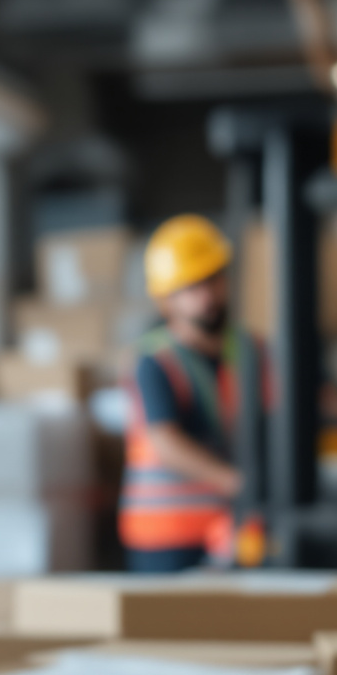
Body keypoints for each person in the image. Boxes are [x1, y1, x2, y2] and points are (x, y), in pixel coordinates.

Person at [121, 213, 246, 572]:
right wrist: (236, 483)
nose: (206, 296)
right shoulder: (155, 361)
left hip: (230, 532)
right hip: (165, 539)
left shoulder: (250, 353)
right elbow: (165, 443)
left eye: (212, 280)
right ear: (166, 300)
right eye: (191, 287)